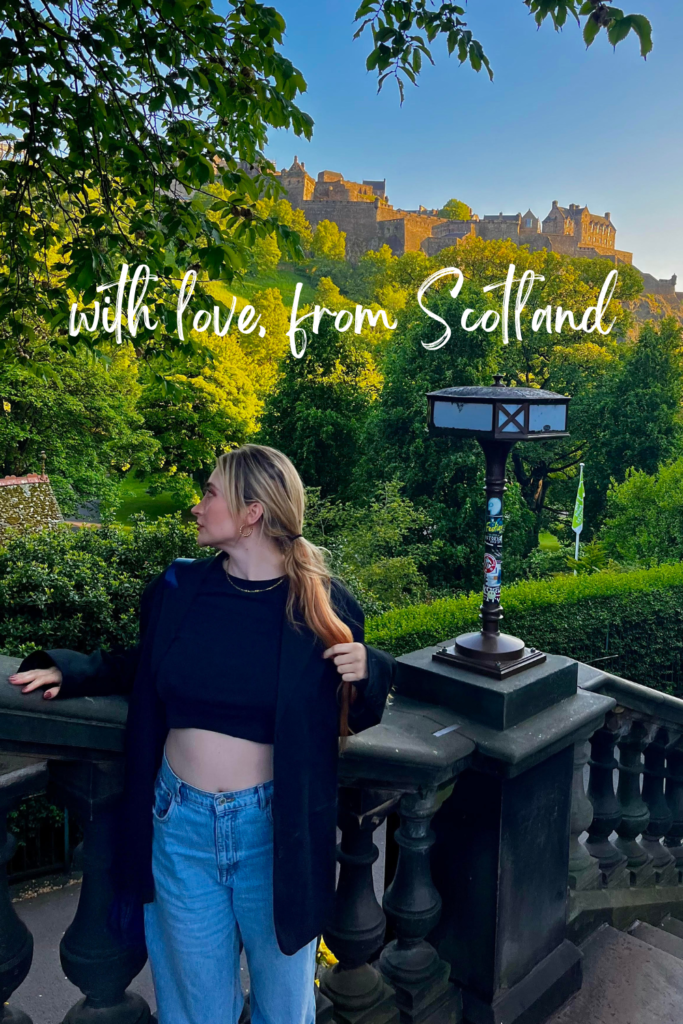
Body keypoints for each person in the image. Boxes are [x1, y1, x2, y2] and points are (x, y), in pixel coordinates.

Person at [9, 444, 397, 1024]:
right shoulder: (178, 588)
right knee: (195, 1011)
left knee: (284, 1009)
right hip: (179, 825)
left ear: (252, 512)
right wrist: (73, 669)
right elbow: (144, 664)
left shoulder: (322, 604)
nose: (197, 505)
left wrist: (373, 669)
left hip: (277, 832)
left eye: (210, 493)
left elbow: (358, 711)